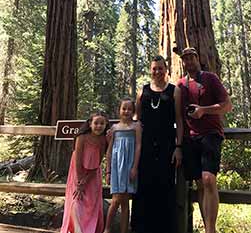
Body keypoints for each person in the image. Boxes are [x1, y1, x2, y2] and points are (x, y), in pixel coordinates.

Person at [177, 47, 232, 233]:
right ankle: (207, 226)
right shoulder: (180, 85)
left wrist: (203, 110)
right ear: (182, 62)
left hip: (210, 134)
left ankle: (211, 229)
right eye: (186, 59)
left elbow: (227, 105)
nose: (189, 61)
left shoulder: (210, 78)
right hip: (190, 138)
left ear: (197, 59)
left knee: (209, 179)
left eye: (192, 57)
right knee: (200, 183)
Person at [131, 55, 183, 233]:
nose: (157, 72)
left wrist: (178, 147)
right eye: (154, 68)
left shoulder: (174, 91)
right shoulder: (143, 91)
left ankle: (165, 228)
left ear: (166, 69)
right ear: (150, 70)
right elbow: (136, 119)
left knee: (165, 186)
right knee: (144, 186)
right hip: (144, 146)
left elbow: (179, 120)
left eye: (160, 68)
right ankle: (141, 228)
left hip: (166, 146)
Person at [60, 110, 109, 233]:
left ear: (106, 125)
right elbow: (77, 159)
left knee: (91, 201)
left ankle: (89, 227)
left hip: (93, 174)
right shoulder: (82, 137)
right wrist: (80, 181)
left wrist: (86, 180)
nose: (99, 126)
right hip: (78, 170)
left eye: (102, 123)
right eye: (96, 123)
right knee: (77, 197)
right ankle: (77, 229)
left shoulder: (103, 140)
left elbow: (98, 162)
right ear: (90, 124)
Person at [104, 98, 142, 233]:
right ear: (119, 110)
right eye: (123, 108)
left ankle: (124, 230)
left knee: (126, 202)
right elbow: (109, 151)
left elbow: (138, 146)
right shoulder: (114, 128)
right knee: (116, 199)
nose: (126, 111)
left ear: (133, 111)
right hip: (116, 167)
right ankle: (107, 229)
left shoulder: (136, 126)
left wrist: (135, 167)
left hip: (129, 166)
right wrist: (108, 171)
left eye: (129, 109)